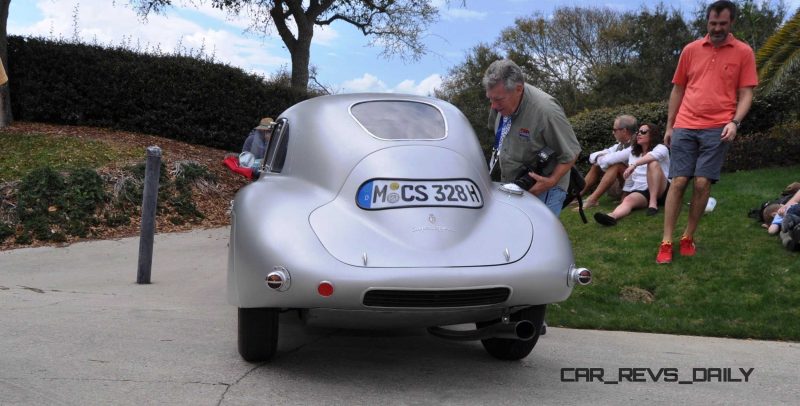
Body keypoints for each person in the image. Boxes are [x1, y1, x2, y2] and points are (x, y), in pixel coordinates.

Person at [656, 0, 758, 264]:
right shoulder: (690, 50)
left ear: (731, 22)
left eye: (722, 24)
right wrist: (670, 125)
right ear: (707, 22)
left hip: (718, 127)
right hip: (685, 125)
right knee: (678, 181)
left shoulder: (743, 52)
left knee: (702, 183)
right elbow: (677, 89)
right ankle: (666, 241)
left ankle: (688, 235)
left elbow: (746, 93)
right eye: (713, 23)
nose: (717, 28)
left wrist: (734, 122)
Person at [483, 59, 581, 215]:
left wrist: (551, 181)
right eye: (490, 98)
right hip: (514, 186)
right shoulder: (499, 104)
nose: (493, 106)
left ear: (519, 88)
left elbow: (571, 152)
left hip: (546, 187)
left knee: (541, 237)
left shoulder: (546, 111)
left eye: (498, 100)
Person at [594, 123, 670, 226]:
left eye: (643, 132)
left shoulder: (661, 148)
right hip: (642, 189)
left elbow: (653, 156)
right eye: (638, 132)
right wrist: (625, 194)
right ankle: (612, 216)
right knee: (628, 200)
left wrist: (634, 165)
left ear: (653, 135)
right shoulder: (634, 153)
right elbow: (631, 177)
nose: (639, 134)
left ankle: (653, 204)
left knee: (653, 163)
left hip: (662, 188)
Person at [578, 115, 637, 210]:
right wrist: (601, 159)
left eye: (614, 129)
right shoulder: (620, 144)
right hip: (625, 181)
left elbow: (608, 160)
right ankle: (577, 195)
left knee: (616, 165)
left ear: (624, 130)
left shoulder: (636, 144)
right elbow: (593, 156)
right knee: (596, 166)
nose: (613, 132)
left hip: (635, 185)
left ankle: (592, 200)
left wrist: (602, 159)